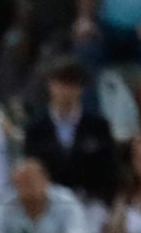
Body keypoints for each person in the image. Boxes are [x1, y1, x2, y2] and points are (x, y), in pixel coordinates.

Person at [22, 58, 119, 204]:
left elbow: (110, 170)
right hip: (49, 204)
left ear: (80, 88)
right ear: (50, 86)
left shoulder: (98, 126)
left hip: (90, 201)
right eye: (61, 84)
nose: (65, 91)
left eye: (71, 85)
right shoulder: (36, 128)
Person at [0, 156, 92, 233]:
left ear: (46, 180)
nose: (28, 187)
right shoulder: (5, 203)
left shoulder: (66, 201)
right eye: (22, 182)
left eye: (32, 180)